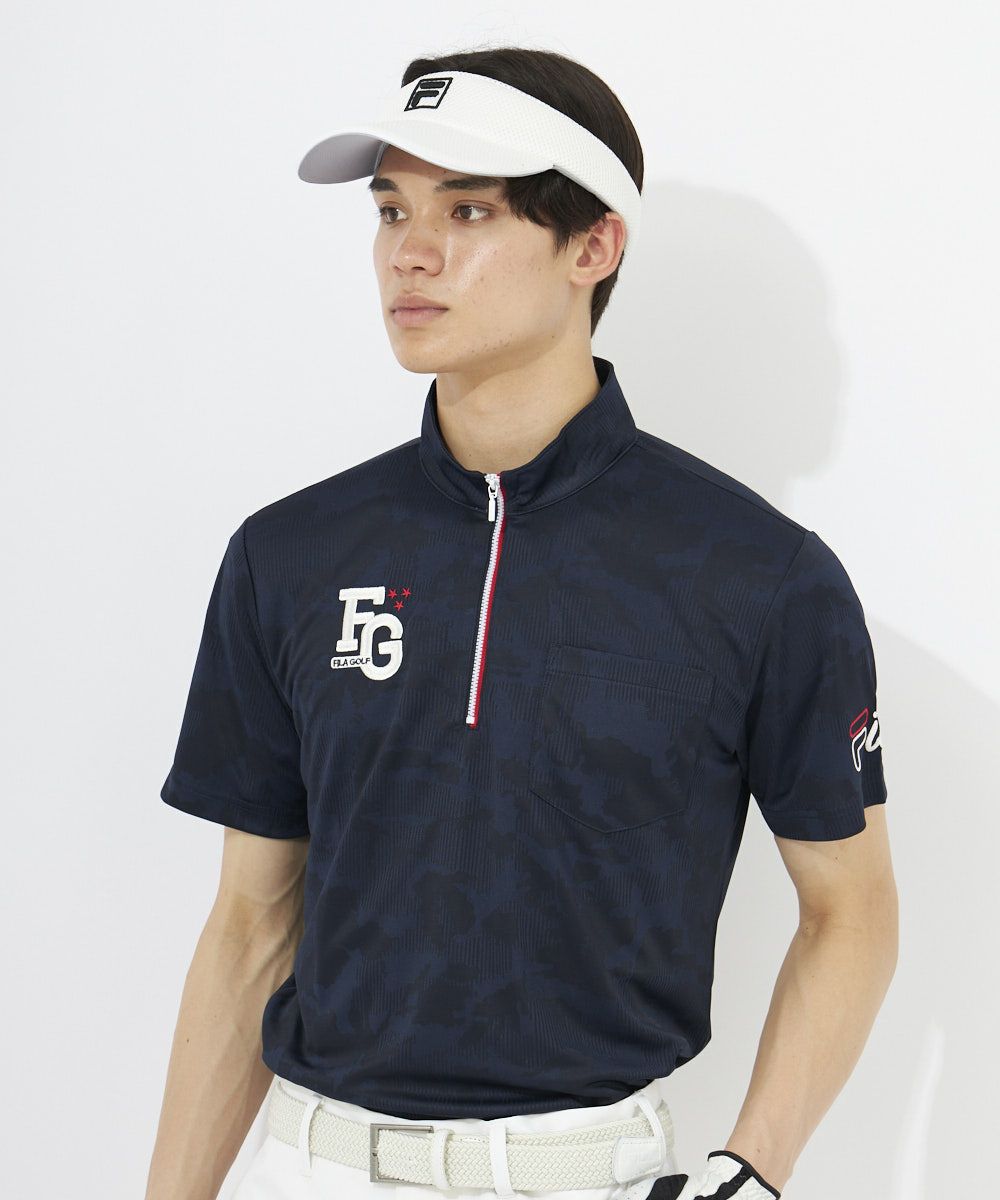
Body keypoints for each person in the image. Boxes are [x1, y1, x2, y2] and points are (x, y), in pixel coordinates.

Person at [145, 46, 897, 1200]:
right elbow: (249, 924)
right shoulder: (289, 555)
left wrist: (754, 1168)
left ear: (592, 246)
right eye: (390, 209)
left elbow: (851, 910)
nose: (411, 251)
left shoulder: (760, 577)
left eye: (469, 211)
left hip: (586, 1174)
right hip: (309, 1167)